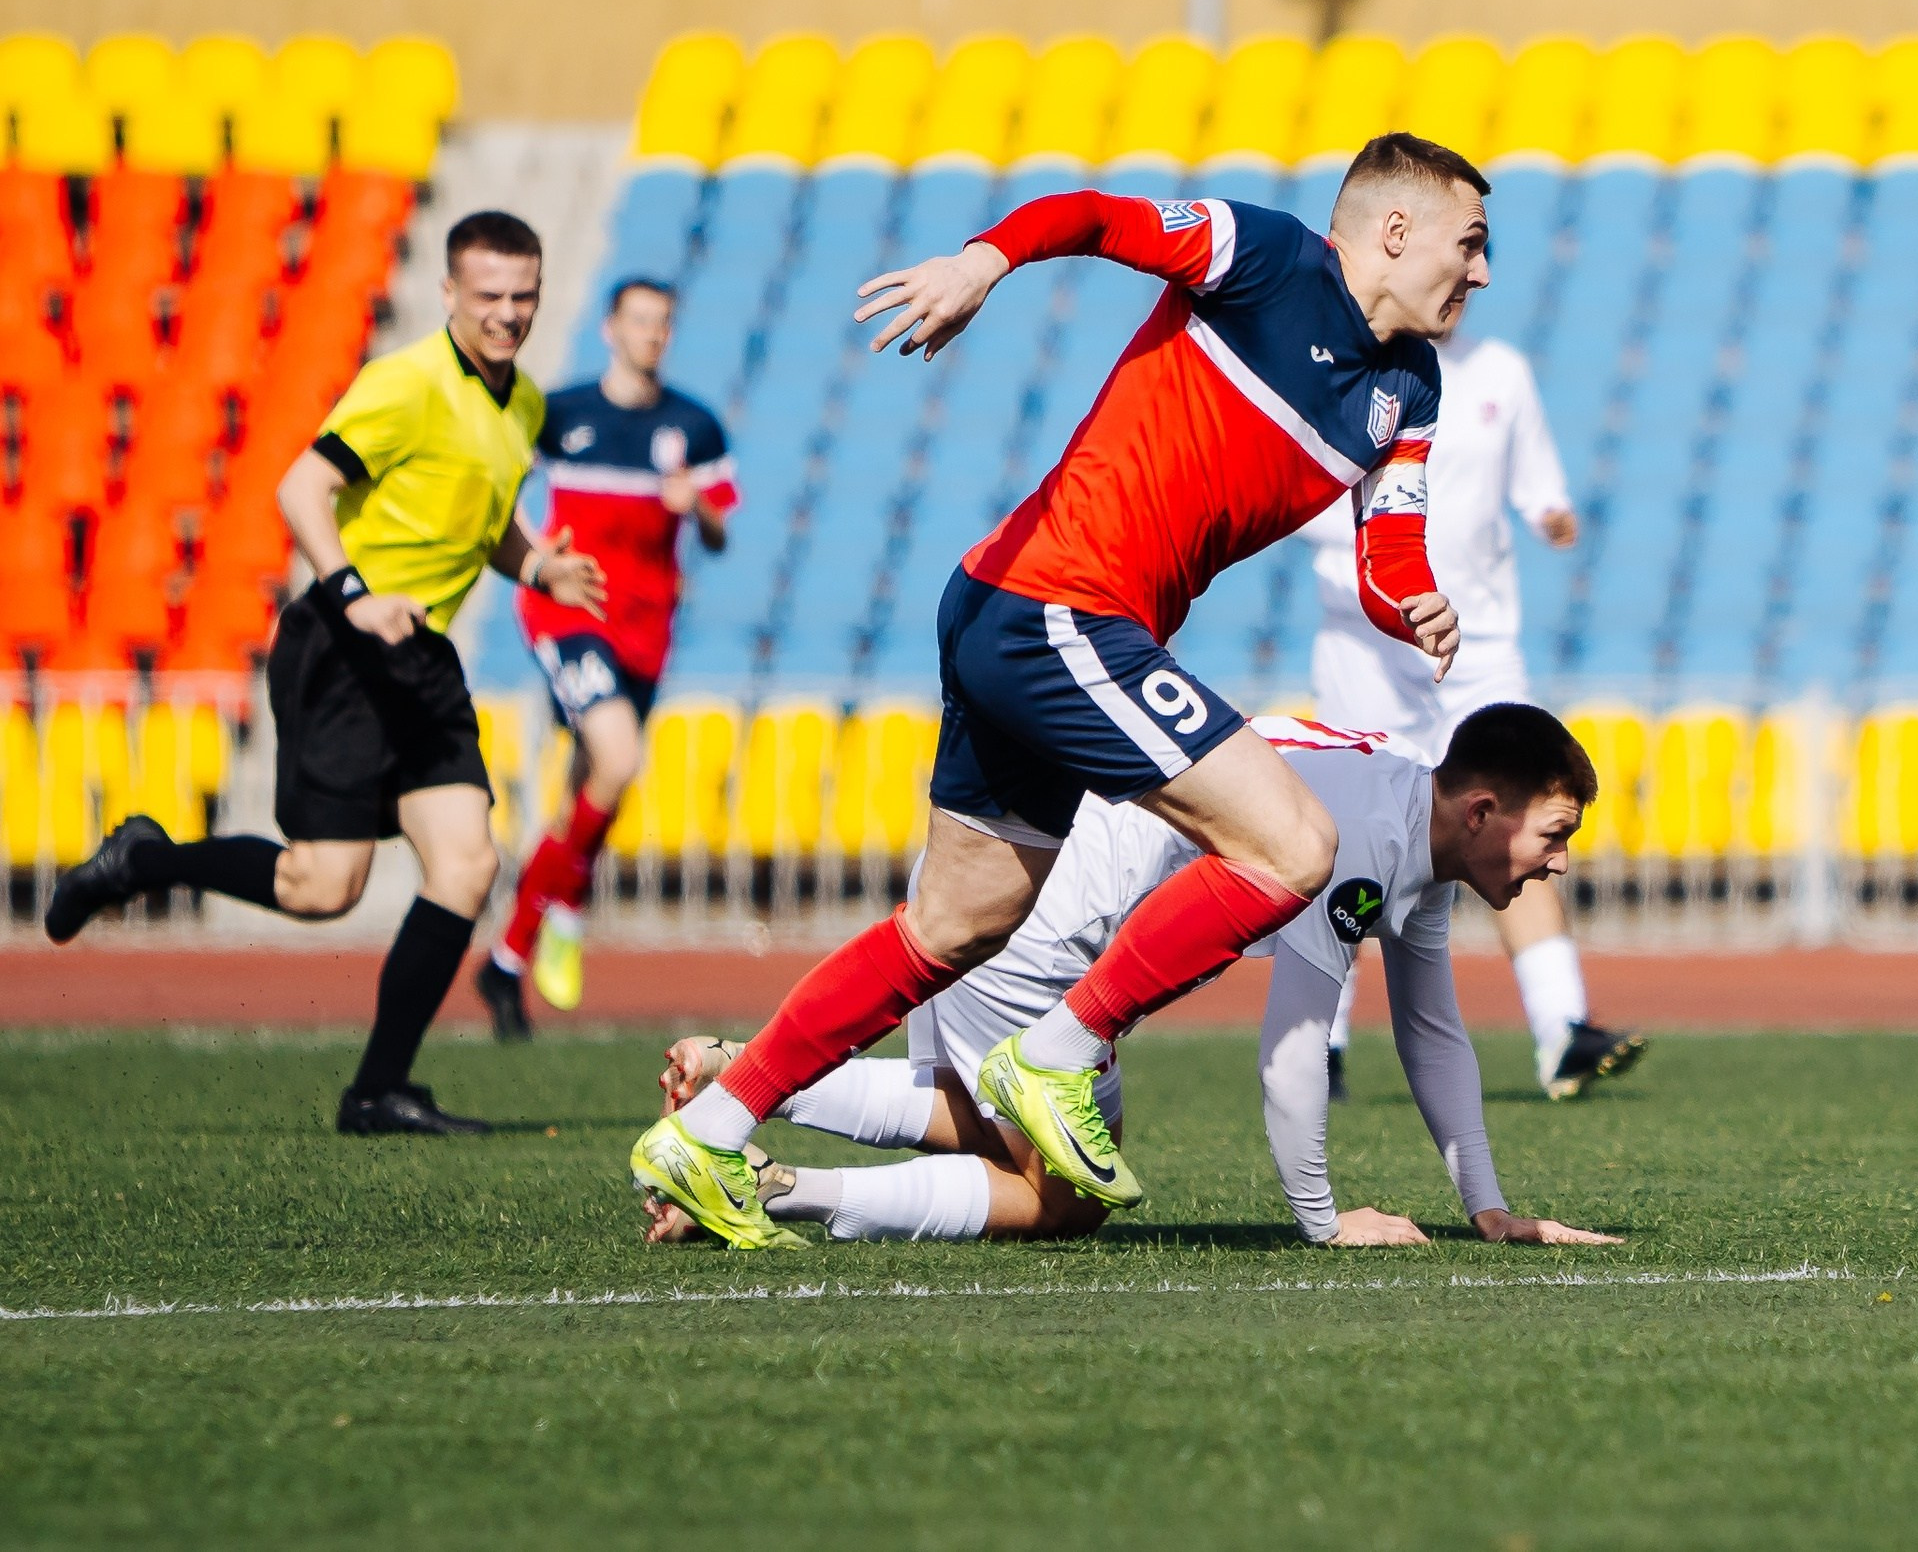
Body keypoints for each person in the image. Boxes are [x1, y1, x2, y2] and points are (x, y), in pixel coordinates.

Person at [633, 133, 1487, 1242]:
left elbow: (1388, 553)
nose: (1478, 271)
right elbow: (1093, 214)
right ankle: (1056, 1053)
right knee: (1292, 846)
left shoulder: (1410, 388)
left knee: (954, 923)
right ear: (1394, 230)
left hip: (1017, 610)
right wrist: (980, 263)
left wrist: (1413, 603)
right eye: (1469, 244)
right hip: (1058, 607)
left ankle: (708, 1128)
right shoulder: (1268, 257)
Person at [638, 707, 1619, 1250]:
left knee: (981, 1116)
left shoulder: (1410, 807)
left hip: (1020, 876)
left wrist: (1485, 1206)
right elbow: (1290, 1055)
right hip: (1049, 924)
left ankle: (743, 1085)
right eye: (1554, 832)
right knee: (1064, 1195)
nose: (1558, 862)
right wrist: (1324, 1221)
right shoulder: (1365, 840)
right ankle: (773, 1186)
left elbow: (1431, 1031)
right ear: (1485, 809)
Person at [43, 212, 606, 1134]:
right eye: (491, 296)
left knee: (467, 863)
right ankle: (140, 860)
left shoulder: (526, 404)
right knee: (322, 887)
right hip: (343, 647)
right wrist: (353, 595)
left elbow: (480, 516)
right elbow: (300, 487)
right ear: (451, 294)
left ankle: (378, 1091)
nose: (509, 314)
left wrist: (538, 564)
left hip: (421, 654)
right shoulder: (406, 382)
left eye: (525, 296)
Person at [1299, 323, 1645, 1101]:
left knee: (1522, 818)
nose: (1464, 278)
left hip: (1480, 640)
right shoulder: (1344, 365)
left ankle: (1564, 1028)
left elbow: (1537, 484)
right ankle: (1323, 1039)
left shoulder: (1500, 373)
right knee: (1352, 837)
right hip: (1370, 638)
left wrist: (1552, 514)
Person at [474, 277, 736, 1038]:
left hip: (648, 627)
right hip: (569, 608)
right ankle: (563, 913)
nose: (652, 333)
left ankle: (508, 956)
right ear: (609, 328)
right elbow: (497, 484)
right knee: (618, 759)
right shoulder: (562, 413)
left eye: (664, 322)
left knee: (589, 790)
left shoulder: (695, 425)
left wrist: (701, 510)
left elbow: (720, 534)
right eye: (641, 320)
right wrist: (533, 550)